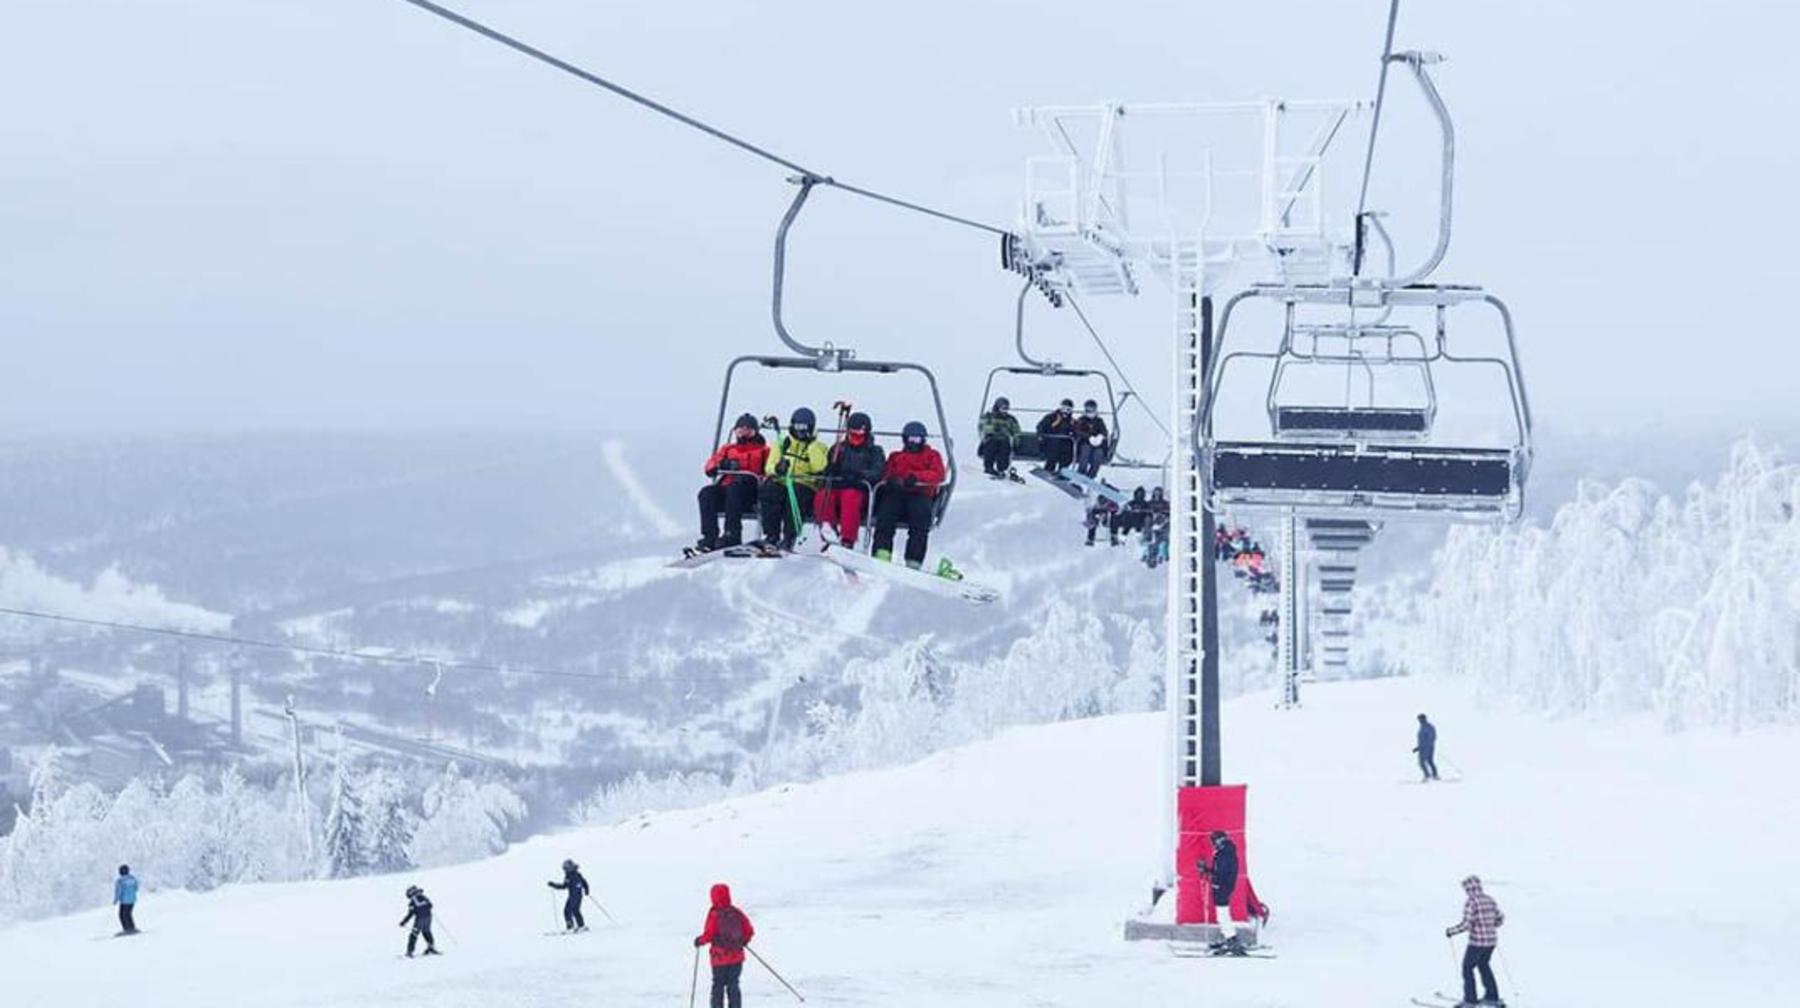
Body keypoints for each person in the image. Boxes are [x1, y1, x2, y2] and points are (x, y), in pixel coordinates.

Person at [872, 421, 946, 569]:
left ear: (923, 440)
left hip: (920, 494)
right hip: (898, 494)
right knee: (886, 513)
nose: (914, 443)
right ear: (905, 439)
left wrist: (917, 477)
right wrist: (890, 480)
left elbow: (938, 474)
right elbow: (886, 473)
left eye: (917, 439)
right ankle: (882, 552)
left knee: (920, 516)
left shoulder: (931, 456)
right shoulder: (896, 456)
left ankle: (914, 559)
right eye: (911, 439)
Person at [757, 407, 829, 550]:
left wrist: (811, 445)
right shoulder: (783, 443)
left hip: (805, 484)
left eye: (804, 429)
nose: (800, 432)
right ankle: (772, 535)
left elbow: (819, 467)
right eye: (797, 428)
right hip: (783, 481)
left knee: (798, 493)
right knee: (769, 488)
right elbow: (769, 466)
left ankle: (789, 537)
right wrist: (778, 469)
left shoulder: (820, 447)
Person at [697, 413, 770, 552]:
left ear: (755, 432)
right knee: (706, 493)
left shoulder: (763, 450)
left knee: (735, 488)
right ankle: (710, 536)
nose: (743, 434)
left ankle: (732, 534)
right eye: (740, 430)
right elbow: (710, 465)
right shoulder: (728, 449)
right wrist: (721, 465)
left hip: (750, 493)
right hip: (728, 489)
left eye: (748, 431)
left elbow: (770, 471)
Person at [813, 411, 884, 549]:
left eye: (859, 432)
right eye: (852, 432)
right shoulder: (839, 448)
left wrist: (861, 475)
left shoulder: (874, 451)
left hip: (860, 491)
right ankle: (829, 531)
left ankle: (847, 540)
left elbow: (878, 472)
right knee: (823, 495)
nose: (855, 436)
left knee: (850, 496)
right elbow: (829, 468)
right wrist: (829, 470)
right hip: (839, 487)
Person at [1446, 875, 1506, 1006]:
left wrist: (1452, 931)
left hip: (1477, 943)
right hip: (1491, 942)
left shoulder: (1471, 902)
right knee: (1484, 965)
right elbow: (1500, 918)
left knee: (1467, 968)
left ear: (1468, 889)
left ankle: (1470, 1000)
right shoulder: (1489, 899)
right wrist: (1490, 925)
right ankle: (1492, 997)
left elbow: (1467, 924)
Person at [694, 883, 755, 1008]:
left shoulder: (715, 914)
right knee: (733, 984)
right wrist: (744, 940)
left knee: (718, 984)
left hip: (719, 958)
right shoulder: (736, 912)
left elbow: (709, 934)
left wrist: (699, 941)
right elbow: (749, 930)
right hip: (737, 957)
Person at [1197, 829, 1243, 948]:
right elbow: (1218, 871)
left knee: (1222, 914)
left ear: (1220, 841)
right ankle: (1228, 937)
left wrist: (1214, 881)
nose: (1213, 844)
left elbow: (1221, 873)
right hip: (1222, 886)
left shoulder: (1224, 854)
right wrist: (1206, 870)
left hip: (1223, 887)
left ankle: (1231, 939)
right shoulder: (1224, 852)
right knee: (1221, 914)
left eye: (1214, 841)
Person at [977, 397, 1021, 478]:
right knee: (992, 444)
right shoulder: (989, 416)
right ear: (998, 407)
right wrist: (993, 429)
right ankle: (989, 467)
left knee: (1004, 446)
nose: (1005, 411)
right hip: (991, 438)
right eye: (1003, 408)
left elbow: (1016, 431)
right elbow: (982, 426)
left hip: (1004, 439)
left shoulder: (1010, 419)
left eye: (1007, 409)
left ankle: (1002, 468)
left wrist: (1016, 441)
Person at [547, 858, 590, 932]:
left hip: (576, 896)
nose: (565, 870)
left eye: (566, 868)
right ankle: (581, 925)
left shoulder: (576, 875)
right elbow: (564, 886)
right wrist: (554, 885)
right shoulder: (569, 876)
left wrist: (586, 890)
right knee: (574, 910)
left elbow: (584, 882)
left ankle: (571, 926)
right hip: (573, 896)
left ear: (570, 867)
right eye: (564, 869)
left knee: (568, 910)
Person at [1035, 399, 1077, 475]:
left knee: (1066, 456)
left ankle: (1062, 472)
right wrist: (1041, 434)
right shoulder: (1052, 417)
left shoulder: (1072, 421)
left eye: (1068, 409)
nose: (1065, 411)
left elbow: (1077, 431)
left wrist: (1074, 435)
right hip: (1051, 443)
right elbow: (1041, 426)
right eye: (1064, 408)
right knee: (1053, 455)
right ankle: (1049, 470)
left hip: (1065, 446)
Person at [1073, 399, 1110, 478]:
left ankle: (1091, 474)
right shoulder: (1082, 420)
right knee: (1085, 450)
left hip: (1097, 445)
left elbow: (1104, 431)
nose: (1089, 412)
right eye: (1088, 410)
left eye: (1092, 410)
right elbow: (1077, 430)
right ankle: (1081, 472)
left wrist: (1100, 436)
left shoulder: (1099, 421)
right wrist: (1088, 437)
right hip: (1084, 443)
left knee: (1099, 453)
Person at [399, 884, 440, 957]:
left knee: (414, 935)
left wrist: (403, 922)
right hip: (428, 918)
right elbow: (431, 905)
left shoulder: (412, 902)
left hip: (419, 920)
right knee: (426, 932)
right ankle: (431, 947)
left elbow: (410, 914)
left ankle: (409, 952)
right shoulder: (424, 897)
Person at [113, 864, 139, 935]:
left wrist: (116, 900)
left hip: (124, 901)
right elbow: (136, 888)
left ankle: (127, 929)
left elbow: (118, 891)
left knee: (122, 915)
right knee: (128, 914)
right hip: (132, 900)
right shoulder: (133, 878)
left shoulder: (120, 881)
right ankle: (132, 927)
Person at [1415, 713, 1440, 782]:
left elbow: (1431, 737)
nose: (1419, 720)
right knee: (1429, 761)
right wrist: (1418, 747)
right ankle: (1435, 775)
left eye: (1420, 719)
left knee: (1422, 762)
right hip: (1426, 747)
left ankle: (1428, 776)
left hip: (1426, 748)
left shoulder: (1427, 727)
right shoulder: (1424, 726)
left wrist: (1424, 746)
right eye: (1419, 719)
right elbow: (1423, 739)